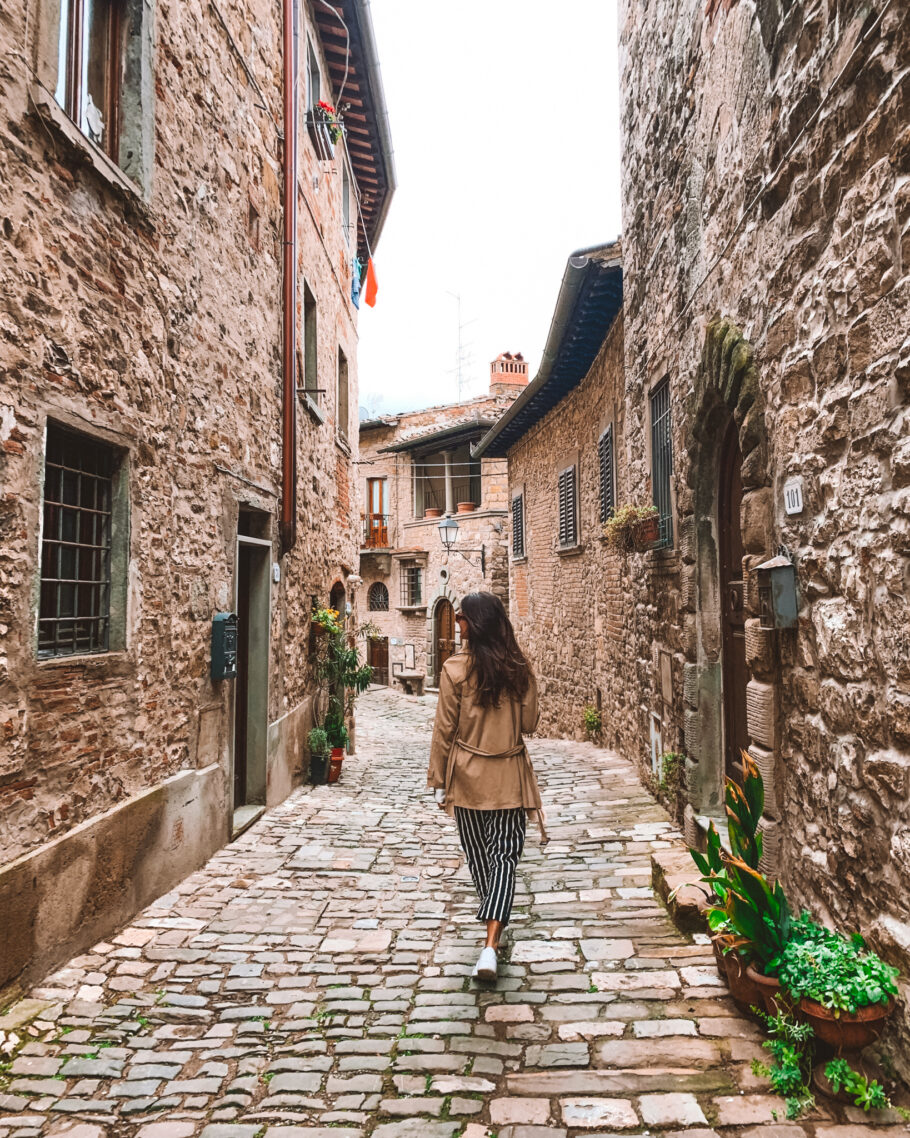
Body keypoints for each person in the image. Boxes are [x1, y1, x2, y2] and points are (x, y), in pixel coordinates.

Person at [427, 591, 546, 982]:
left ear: (476, 624)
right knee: (500, 863)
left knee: (485, 862)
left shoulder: (454, 670)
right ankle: (495, 929)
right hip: (509, 777)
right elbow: (529, 725)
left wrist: (439, 780)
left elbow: (444, 731)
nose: (457, 624)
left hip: (467, 781)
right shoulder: (519, 669)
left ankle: (490, 946)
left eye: (461, 618)